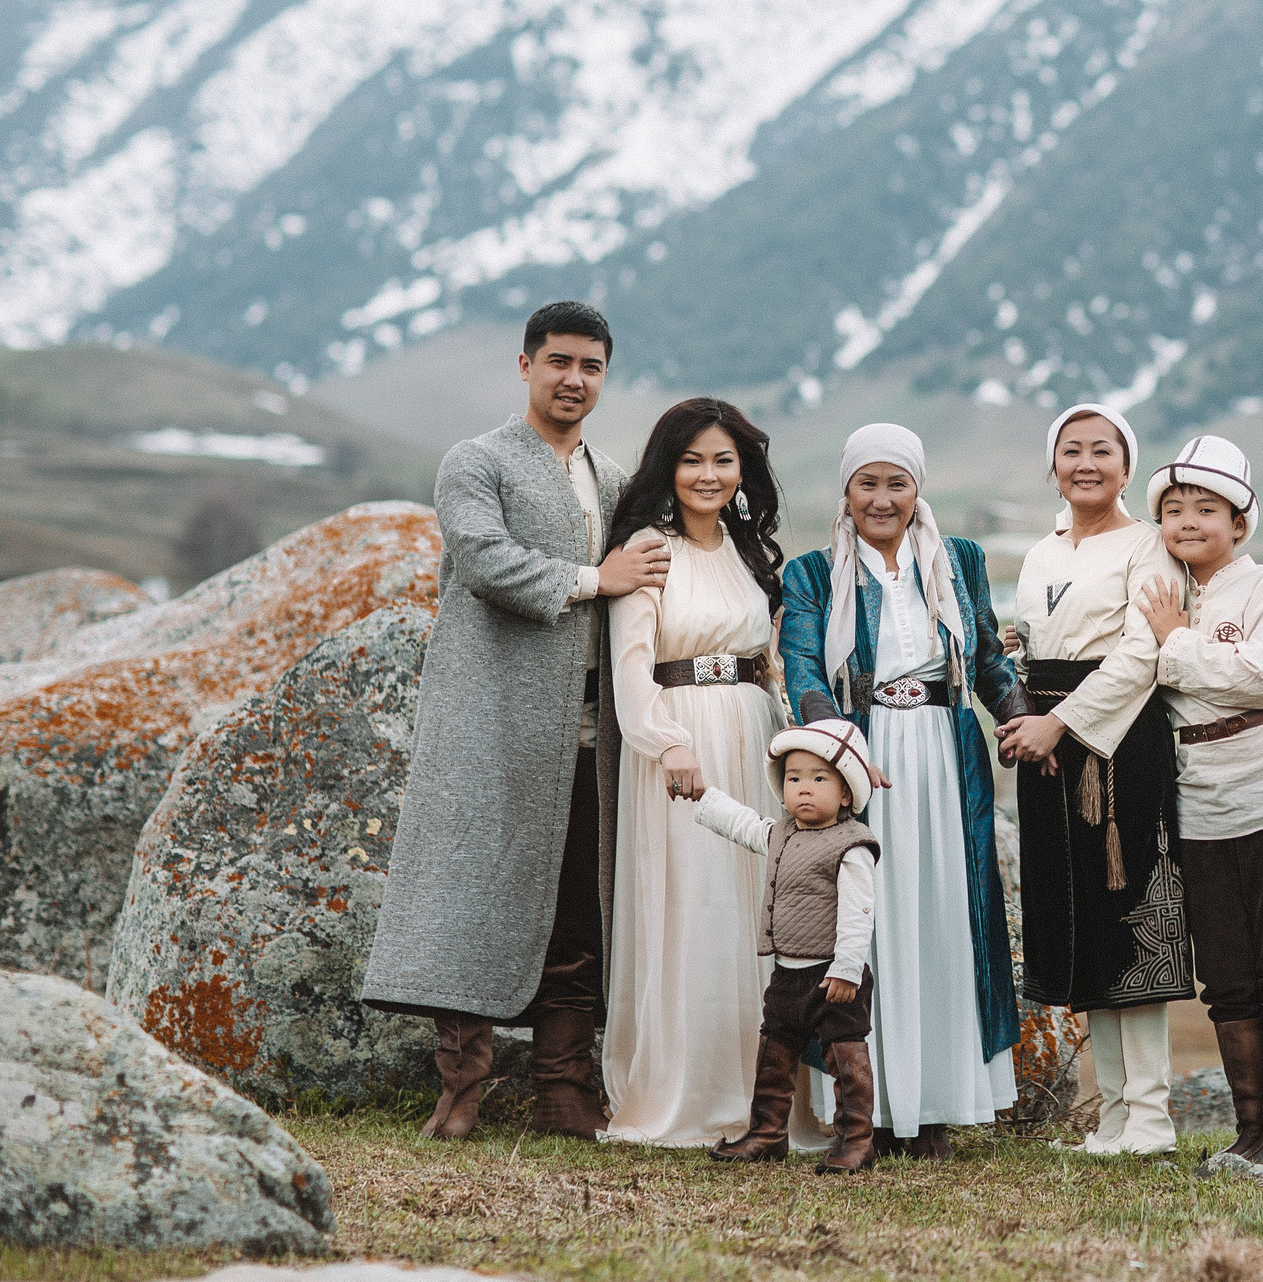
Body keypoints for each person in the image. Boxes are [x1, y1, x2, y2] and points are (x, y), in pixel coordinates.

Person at [364, 301, 666, 1141]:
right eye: (559, 361)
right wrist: (595, 579)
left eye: (592, 366)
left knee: (578, 910)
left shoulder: (612, 480)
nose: (575, 379)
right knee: (472, 902)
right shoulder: (477, 461)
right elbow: (485, 559)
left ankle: (564, 1092)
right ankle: (460, 1090)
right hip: (490, 726)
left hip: (587, 737)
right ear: (524, 364)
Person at [776, 423, 1025, 1158]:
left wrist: (1020, 721)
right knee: (868, 923)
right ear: (846, 493)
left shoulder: (961, 560)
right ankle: (870, 1107)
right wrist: (843, 748)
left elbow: (984, 657)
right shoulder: (813, 573)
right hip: (863, 759)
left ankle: (938, 1103)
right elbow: (803, 669)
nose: (882, 499)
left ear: (919, 489)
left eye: (897, 483)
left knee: (943, 915)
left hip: (945, 759)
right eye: (867, 484)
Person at [599, 396, 806, 1149]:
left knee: (757, 907)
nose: (708, 474)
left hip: (752, 735)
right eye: (692, 460)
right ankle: (690, 1089)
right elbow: (631, 663)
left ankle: (769, 1095)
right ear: (668, 467)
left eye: (723, 459)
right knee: (695, 906)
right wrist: (666, 741)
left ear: (743, 468)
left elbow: (772, 662)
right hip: (679, 744)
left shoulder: (752, 551)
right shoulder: (648, 548)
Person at [1134, 435, 1263, 1175]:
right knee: (1224, 969)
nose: (1188, 520)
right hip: (1201, 793)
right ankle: (1248, 1134)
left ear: (1240, 523)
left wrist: (1175, 644)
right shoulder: (1166, 591)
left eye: (1207, 507)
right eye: (1174, 508)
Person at [995, 404, 1192, 1158]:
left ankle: (1151, 1115)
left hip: (1117, 750)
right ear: (1053, 464)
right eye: (1071, 450)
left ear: (1126, 463)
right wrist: (1027, 717)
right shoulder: (1043, 550)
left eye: (1101, 450)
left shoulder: (1147, 547)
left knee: (1130, 921)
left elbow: (1140, 654)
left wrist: (1062, 723)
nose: (1086, 462)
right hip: (1050, 746)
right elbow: (1036, 641)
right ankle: (1111, 1115)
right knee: (1077, 926)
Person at [693, 702, 883, 1175]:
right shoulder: (780, 833)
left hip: (832, 977)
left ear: (846, 794)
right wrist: (704, 798)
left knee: (846, 1057)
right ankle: (767, 1132)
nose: (803, 788)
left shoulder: (851, 844)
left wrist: (846, 969)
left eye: (819, 779)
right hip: (787, 973)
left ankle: (857, 1139)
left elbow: (859, 912)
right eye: (795, 777)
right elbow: (743, 826)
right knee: (774, 1054)